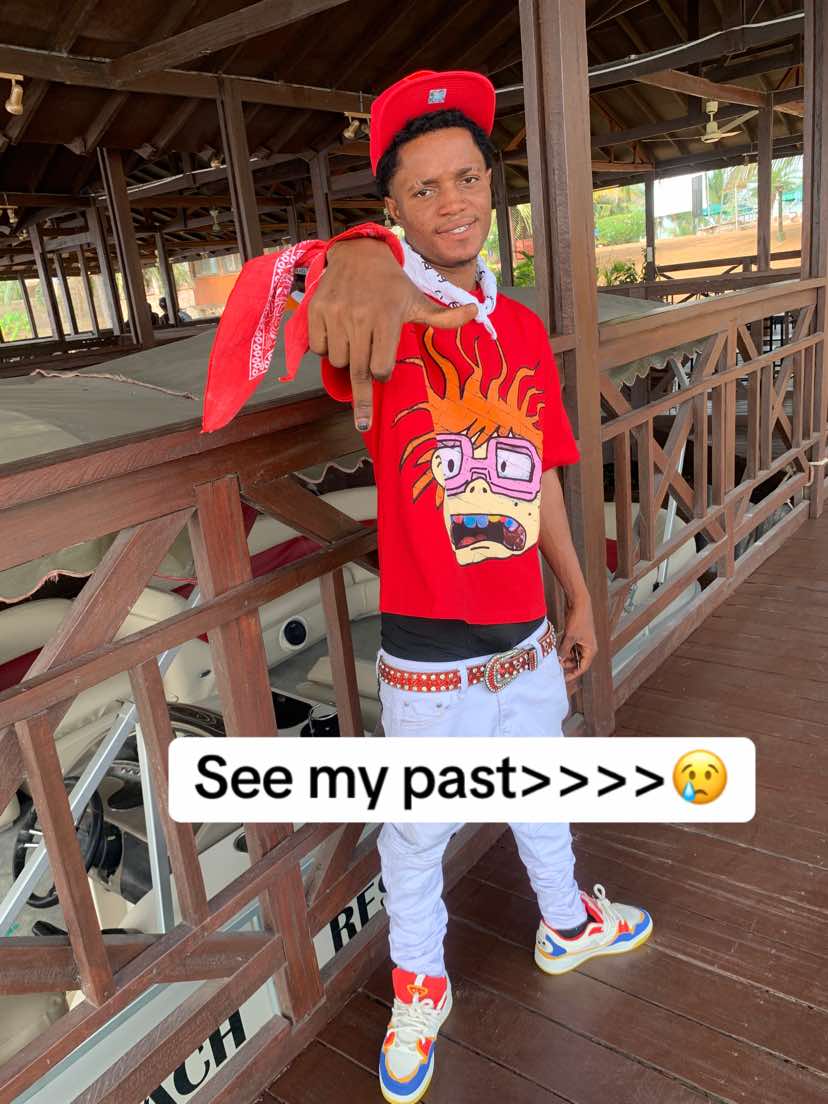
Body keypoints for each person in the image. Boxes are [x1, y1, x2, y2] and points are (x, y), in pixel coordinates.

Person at [202, 68, 653, 1104]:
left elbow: (540, 472)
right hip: (429, 652)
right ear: (395, 206)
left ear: (492, 187)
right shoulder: (378, 313)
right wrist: (354, 252)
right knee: (415, 830)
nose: (452, 202)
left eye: (467, 178)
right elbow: (290, 296)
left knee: (542, 785)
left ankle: (566, 922)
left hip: (525, 632)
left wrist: (578, 593)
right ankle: (420, 985)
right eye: (422, 189)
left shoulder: (521, 329)